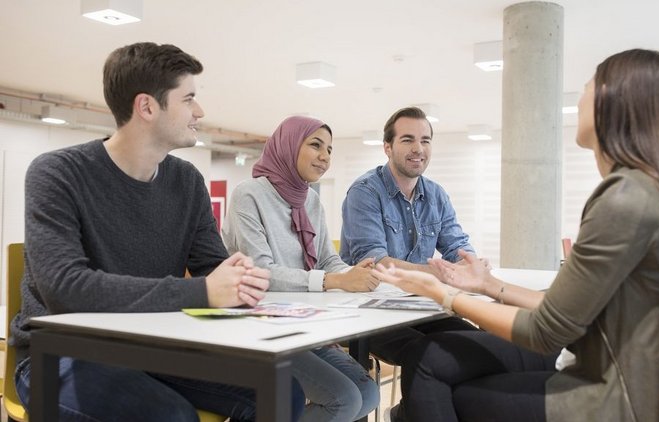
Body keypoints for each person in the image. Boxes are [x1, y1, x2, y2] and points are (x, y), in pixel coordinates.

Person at [372, 49, 659, 422]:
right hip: (622, 378)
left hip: (606, 396)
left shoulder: (625, 198)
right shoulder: (650, 190)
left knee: (431, 370)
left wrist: (444, 294)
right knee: (435, 359)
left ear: (613, 103)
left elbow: (547, 331)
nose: (580, 98)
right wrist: (487, 285)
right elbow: (564, 309)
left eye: (587, 88)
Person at [9, 42, 305, 421]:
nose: (200, 112)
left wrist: (241, 278)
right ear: (147, 107)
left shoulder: (186, 180)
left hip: (155, 346)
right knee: (171, 416)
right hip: (59, 355)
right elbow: (65, 290)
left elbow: (212, 268)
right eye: (189, 99)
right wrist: (203, 291)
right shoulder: (57, 173)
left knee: (282, 392)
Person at [222, 115, 380, 421]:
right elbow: (262, 273)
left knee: (369, 392)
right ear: (289, 145)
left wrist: (354, 274)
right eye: (316, 145)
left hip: (304, 326)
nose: (325, 156)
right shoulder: (249, 194)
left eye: (330, 150)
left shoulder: (311, 200)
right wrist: (335, 280)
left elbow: (326, 260)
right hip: (262, 329)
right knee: (343, 400)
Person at [339, 106, 479, 367]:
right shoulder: (365, 192)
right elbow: (376, 263)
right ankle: (407, 410)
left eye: (425, 140)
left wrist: (471, 264)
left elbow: (457, 245)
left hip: (418, 307)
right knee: (429, 356)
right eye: (407, 140)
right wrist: (440, 273)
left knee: (477, 343)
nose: (418, 148)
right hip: (369, 310)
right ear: (387, 148)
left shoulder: (436, 194)